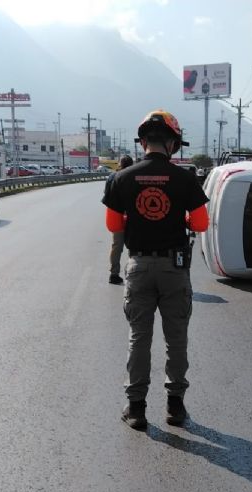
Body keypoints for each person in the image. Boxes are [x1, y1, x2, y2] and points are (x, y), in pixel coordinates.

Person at [102, 110, 209, 430]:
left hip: (138, 266)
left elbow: (113, 225)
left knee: (139, 338)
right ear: (173, 143)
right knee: (176, 339)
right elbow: (201, 223)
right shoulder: (185, 179)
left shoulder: (121, 178)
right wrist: (180, 220)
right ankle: (175, 407)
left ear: (143, 141)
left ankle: (136, 409)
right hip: (174, 267)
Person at [105, 155, 135, 285]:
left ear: (120, 164)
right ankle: (133, 273)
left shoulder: (112, 177)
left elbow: (107, 198)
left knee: (117, 245)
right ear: (132, 164)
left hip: (116, 214)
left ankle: (114, 273)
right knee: (134, 246)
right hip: (133, 215)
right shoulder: (134, 176)